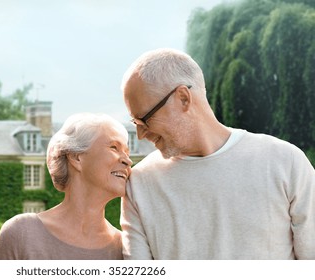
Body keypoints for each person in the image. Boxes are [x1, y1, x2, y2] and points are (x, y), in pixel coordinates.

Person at [119, 48, 315, 260]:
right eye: (134, 123)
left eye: (144, 120)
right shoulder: (139, 184)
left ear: (183, 98)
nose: (139, 134)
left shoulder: (285, 162)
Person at [0, 113, 132, 260]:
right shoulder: (22, 233)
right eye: (114, 147)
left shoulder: (125, 249)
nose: (128, 161)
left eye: (128, 153)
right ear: (76, 157)